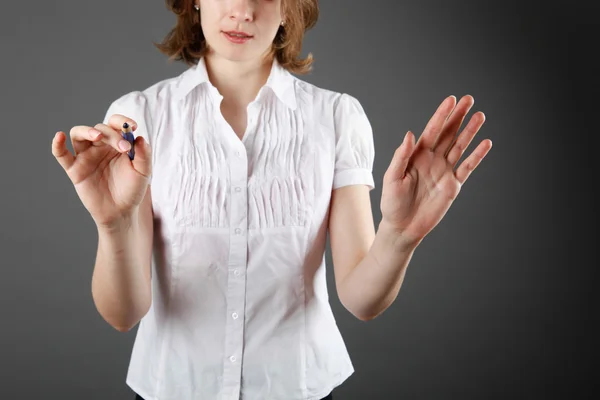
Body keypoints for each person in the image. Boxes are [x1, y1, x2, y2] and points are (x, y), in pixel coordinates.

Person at [50, 0, 492, 399]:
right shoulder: (138, 120)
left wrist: (400, 234)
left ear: (289, 8)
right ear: (195, 1)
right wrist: (112, 224)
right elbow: (124, 314)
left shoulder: (337, 118)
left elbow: (361, 299)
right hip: (170, 388)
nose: (243, 10)